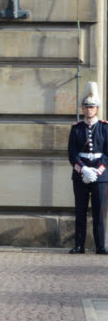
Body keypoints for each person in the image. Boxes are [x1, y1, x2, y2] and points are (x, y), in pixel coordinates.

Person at [67, 81, 108, 254]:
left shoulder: (105, 128)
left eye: (92, 107)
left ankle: (100, 246)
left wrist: (97, 171)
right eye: (86, 107)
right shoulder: (76, 129)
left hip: (100, 176)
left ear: (97, 109)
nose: (89, 110)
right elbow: (72, 153)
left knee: (99, 213)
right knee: (80, 212)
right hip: (80, 175)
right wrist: (83, 169)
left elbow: (107, 154)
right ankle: (79, 245)